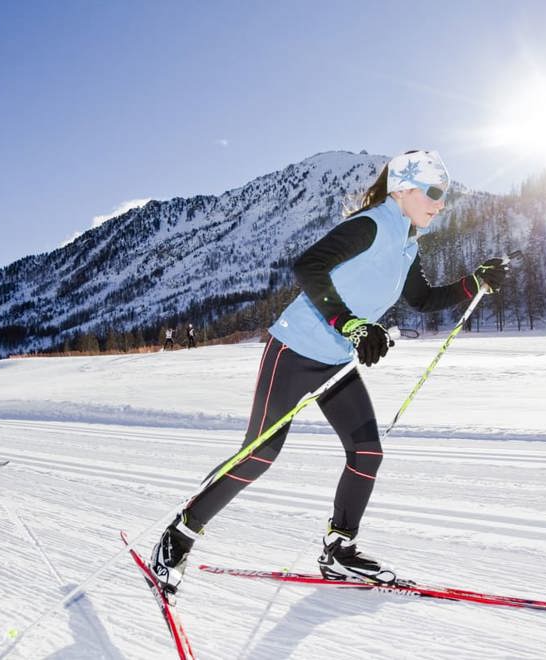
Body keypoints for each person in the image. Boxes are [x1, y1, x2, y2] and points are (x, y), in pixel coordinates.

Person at [150, 150, 509, 595]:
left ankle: (339, 552)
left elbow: (421, 299)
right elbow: (308, 266)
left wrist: (474, 282)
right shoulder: (371, 225)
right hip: (294, 352)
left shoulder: (406, 244)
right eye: (435, 192)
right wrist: (352, 324)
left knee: (367, 452)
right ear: (405, 188)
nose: (441, 203)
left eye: (445, 195)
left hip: (336, 362)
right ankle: (179, 535)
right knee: (260, 453)